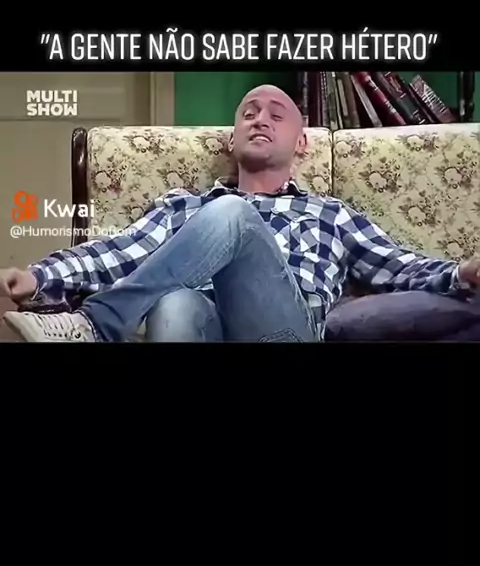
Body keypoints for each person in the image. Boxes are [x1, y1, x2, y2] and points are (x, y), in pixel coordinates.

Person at [1, 84, 479, 343]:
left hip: (285, 332)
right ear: (232, 140)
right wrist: (39, 276)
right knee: (175, 301)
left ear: (301, 142)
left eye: (276, 114)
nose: (260, 119)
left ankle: (98, 325)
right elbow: (119, 251)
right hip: (202, 328)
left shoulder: (329, 213)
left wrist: (462, 273)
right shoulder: (184, 206)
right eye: (249, 113)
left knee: (231, 212)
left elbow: (399, 266)